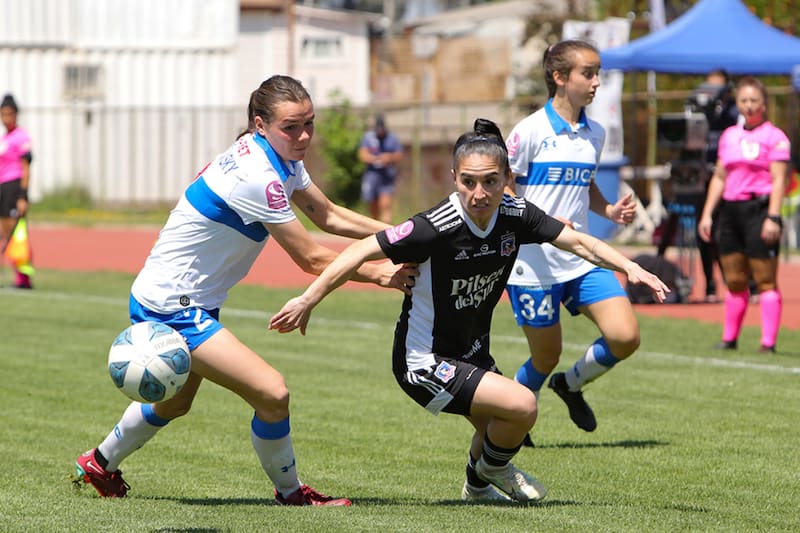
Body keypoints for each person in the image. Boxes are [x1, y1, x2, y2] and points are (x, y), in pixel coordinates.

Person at [269, 118, 669, 502]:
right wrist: (308, 299)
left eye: (491, 181)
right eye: (469, 181)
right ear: (454, 179)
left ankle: (476, 486)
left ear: (506, 179)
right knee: (523, 405)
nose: (480, 193)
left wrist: (630, 265)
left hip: (472, 352)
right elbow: (358, 250)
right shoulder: (434, 226)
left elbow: (579, 243)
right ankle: (494, 471)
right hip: (422, 359)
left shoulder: (516, 215)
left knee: (500, 425)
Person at [72, 75, 417, 505]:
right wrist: (381, 272)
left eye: (309, 123)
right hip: (172, 306)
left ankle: (99, 463)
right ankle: (292, 494)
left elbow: (327, 214)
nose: (304, 135)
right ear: (260, 124)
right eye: (292, 127)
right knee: (273, 393)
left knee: (175, 404)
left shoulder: (279, 157)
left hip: (180, 298)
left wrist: (408, 235)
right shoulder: (258, 175)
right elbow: (310, 257)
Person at [502, 39, 639, 437]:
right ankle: (514, 415)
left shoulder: (594, 133)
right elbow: (504, 188)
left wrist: (609, 211)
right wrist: (538, 220)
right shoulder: (529, 131)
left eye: (598, 73)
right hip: (533, 265)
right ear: (560, 77)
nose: (596, 82)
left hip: (580, 260)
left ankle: (571, 384)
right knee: (545, 358)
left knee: (625, 336)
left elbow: (585, 184)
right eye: (588, 73)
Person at [698, 76, 791, 353]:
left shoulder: (775, 137)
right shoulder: (730, 136)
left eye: (754, 101)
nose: (749, 106)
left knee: (764, 279)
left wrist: (773, 217)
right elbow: (720, 177)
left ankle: (768, 343)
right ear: (737, 103)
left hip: (759, 210)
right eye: (743, 101)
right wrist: (707, 214)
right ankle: (730, 338)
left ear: (764, 104)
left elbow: (779, 180)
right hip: (730, 212)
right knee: (735, 278)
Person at [656, 69, 740, 302]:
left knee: (718, 234)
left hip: (722, 180)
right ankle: (707, 285)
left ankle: (737, 284)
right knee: (696, 231)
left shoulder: (733, 113)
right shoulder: (695, 110)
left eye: (717, 87)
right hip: (693, 178)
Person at [0, 93, 33, 289]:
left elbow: (26, 168)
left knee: (17, 233)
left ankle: (23, 277)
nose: (6, 119)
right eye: (3, 115)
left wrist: (23, 195)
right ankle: (16, 274)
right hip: (3, 187)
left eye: (9, 114)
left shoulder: (21, 137)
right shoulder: (4, 138)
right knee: (5, 232)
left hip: (14, 186)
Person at [358, 114, 403, 223]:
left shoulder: (392, 138)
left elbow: (399, 155)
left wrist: (389, 157)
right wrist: (374, 159)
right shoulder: (368, 137)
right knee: (372, 205)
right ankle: (374, 228)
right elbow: (362, 155)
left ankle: (386, 231)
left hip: (387, 176)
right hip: (372, 176)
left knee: (385, 205)